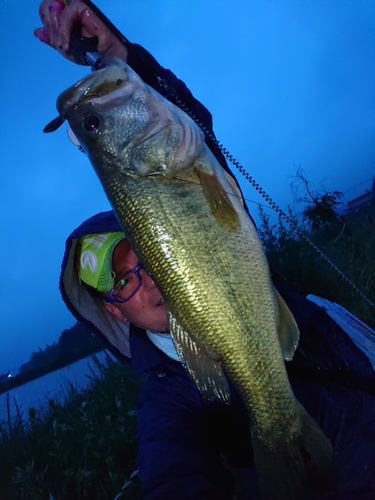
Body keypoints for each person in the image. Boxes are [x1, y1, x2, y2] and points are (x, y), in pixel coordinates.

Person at [35, 1, 375, 499]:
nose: (148, 280)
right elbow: (173, 469)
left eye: (142, 258)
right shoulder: (166, 396)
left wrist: (115, 54)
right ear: (115, 313)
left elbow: (192, 128)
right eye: (123, 281)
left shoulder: (185, 168)